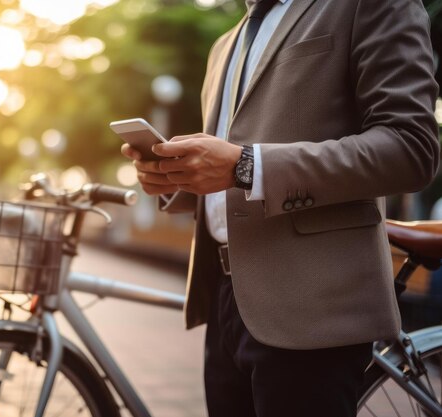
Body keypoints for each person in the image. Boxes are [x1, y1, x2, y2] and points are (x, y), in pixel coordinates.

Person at [121, 0, 440, 416]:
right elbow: (228, 168)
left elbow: (410, 148)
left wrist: (247, 165)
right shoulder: (225, 43)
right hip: (225, 298)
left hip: (312, 305)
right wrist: (173, 178)